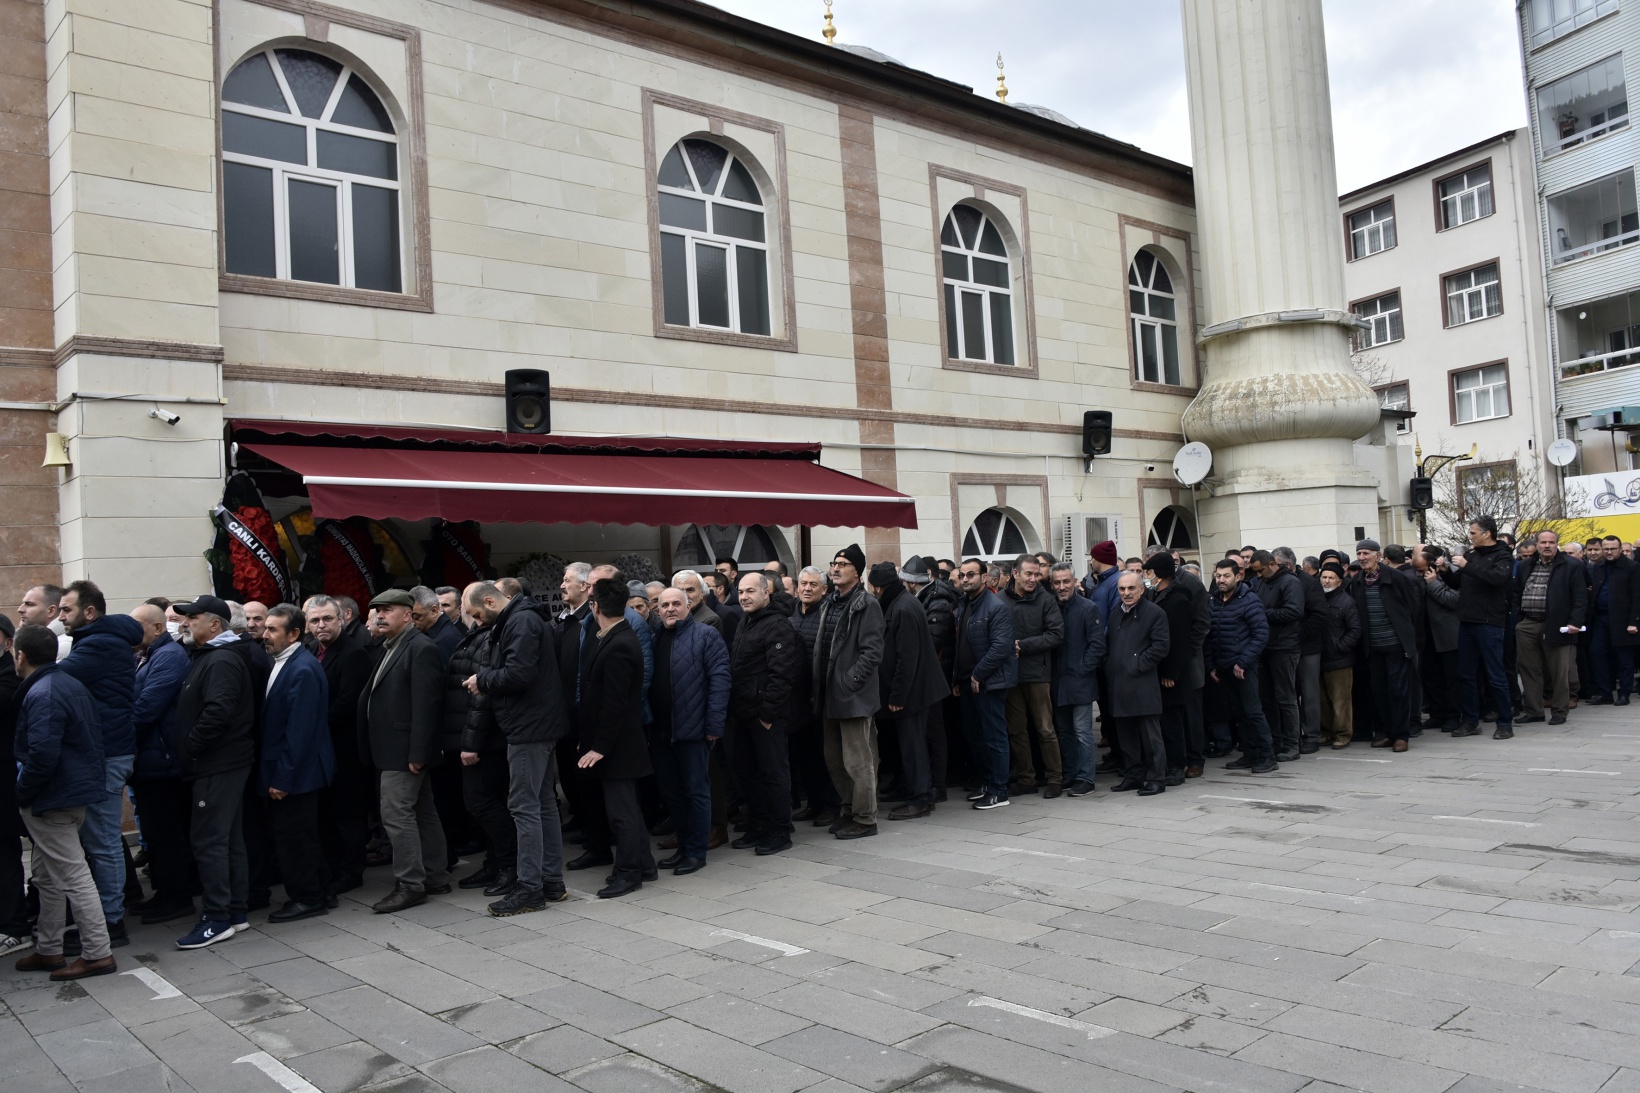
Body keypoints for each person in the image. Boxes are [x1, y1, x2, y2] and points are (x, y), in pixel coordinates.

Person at [11, 624, 115, 980]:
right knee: (47, 875)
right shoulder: (66, 684)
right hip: (68, 794)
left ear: (19, 655)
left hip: (53, 798)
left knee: (72, 875)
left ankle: (98, 953)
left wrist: (22, 791)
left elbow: (42, 754)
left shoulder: (44, 691)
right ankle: (50, 949)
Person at [466, 580, 572, 914]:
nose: (475, 621)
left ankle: (530, 890)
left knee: (525, 807)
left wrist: (481, 681)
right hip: (534, 724)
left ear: (489, 601)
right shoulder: (521, 619)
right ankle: (551, 882)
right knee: (541, 805)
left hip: (529, 728)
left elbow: (519, 673)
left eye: (475, 614)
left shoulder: (521, 621)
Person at [54, 580, 142, 949]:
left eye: (66, 610)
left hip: (107, 753)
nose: (60, 617)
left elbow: (52, 677)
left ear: (89, 612)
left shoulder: (99, 644)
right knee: (101, 838)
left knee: (103, 840)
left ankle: (110, 922)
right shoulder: (99, 639)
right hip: (105, 751)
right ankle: (108, 915)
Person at [172, 595, 256, 948]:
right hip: (221, 762)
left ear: (215, 624)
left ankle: (217, 916)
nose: (186, 623)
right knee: (226, 839)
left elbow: (218, 712)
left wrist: (191, 746)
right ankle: (234, 911)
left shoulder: (221, 659)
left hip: (217, 763)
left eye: (193, 617)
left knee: (209, 841)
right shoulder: (212, 656)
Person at [359, 588, 448, 914]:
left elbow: (427, 706)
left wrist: (418, 752)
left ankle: (410, 884)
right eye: (377, 610)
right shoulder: (392, 646)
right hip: (395, 748)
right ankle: (435, 875)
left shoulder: (420, 647)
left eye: (388, 610)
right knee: (422, 811)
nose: (380, 615)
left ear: (408, 615)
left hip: (404, 751)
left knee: (396, 815)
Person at [576, 578, 654, 897]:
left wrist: (599, 747)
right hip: (616, 743)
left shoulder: (621, 643)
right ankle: (644, 864)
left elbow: (615, 705)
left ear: (594, 605)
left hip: (619, 746)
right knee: (626, 810)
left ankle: (629, 872)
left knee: (622, 814)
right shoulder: (610, 637)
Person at [259, 605, 335, 922]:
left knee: (295, 839)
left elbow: (300, 731)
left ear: (293, 634)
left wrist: (283, 779)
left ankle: (308, 897)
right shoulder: (282, 662)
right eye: (265, 628)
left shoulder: (302, 669)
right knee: (302, 835)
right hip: (293, 771)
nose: (265, 635)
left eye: (273, 630)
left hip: (297, 774)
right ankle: (321, 891)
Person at [650, 587, 728, 874]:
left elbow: (720, 681)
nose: (670, 609)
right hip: (661, 733)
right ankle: (683, 847)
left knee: (696, 792)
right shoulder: (655, 637)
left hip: (694, 732)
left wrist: (713, 726)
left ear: (688, 606)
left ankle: (696, 852)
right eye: (664, 604)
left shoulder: (706, 635)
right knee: (672, 793)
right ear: (657, 610)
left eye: (676, 604)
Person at [127, 604, 194, 925]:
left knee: (167, 834)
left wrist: (118, 731)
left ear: (156, 628)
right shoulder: (147, 655)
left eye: (136, 625)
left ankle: (176, 898)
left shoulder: (168, 656)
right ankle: (164, 894)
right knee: (155, 833)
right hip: (150, 761)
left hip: (163, 763)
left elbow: (146, 707)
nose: (130, 632)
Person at [813, 545, 885, 839]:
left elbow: (872, 652)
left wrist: (849, 681)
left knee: (859, 761)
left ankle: (866, 819)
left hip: (853, 696)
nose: (836, 568)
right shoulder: (830, 601)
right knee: (834, 758)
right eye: (834, 563)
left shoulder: (867, 604)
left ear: (858, 570)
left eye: (843, 563)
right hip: (829, 693)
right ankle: (849, 810)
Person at [867, 563, 949, 821]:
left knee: (914, 746)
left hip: (914, 692)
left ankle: (920, 799)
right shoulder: (901, 602)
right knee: (910, 745)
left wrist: (897, 697)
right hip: (913, 689)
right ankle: (913, 791)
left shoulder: (903, 607)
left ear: (879, 587)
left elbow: (907, 658)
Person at [728, 572, 801, 851]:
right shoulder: (745, 622)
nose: (744, 596)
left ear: (765, 593)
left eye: (750, 591)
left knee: (774, 775)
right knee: (748, 773)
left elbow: (782, 675)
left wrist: (767, 715)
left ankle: (780, 831)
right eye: (741, 591)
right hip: (744, 713)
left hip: (766, 717)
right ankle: (758, 825)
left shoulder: (777, 625)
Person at [305, 595, 371, 895]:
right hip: (321, 748)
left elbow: (348, 702)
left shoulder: (352, 653)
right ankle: (331, 867)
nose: (322, 625)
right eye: (315, 620)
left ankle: (351, 871)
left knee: (348, 815)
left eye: (327, 619)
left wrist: (309, 724)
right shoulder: (310, 650)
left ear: (341, 619)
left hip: (344, 748)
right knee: (326, 813)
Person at [450, 605, 514, 899]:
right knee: (483, 803)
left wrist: (471, 745)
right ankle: (495, 862)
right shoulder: (478, 634)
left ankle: (507, 866)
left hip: (486, 741)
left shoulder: (487, 638)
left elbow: (480, 696)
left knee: (484, 803)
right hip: (479, 736)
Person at [952, 558, 1016, 809]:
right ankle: (987, 783)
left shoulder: (995, 606)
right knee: (974, 735)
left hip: (990, 682)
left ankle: (999, 791)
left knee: (994, 737)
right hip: (969, 682)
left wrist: (978, 674)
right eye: (963, 575)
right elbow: (961, 646)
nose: (966, 579)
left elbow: (1001, 647)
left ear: (985, 578)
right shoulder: (964, 603)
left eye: (971, 575)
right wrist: (958, 678)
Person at [1002, 555, 1065, 797]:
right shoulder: (999, 600)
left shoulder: (1046, 600)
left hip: (1038, 674)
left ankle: (1055, 780)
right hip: (1010, 675)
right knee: (1016, 731)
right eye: (1028, 574)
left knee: (1045, 729)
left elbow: (1056, 634)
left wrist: (1023, 646)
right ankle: (1026, 778)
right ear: (1015, 573)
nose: (1033, 579)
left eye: (1036, 574)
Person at [1447, 518, 1515, 740]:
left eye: (1473, 532)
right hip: (1467, 621)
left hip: (1489, 622)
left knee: (1496, 675)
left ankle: (1504, 722)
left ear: (1487, 534)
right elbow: (1457, 582)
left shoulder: (1502, 555)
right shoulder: (1473, 554)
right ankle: (1470, 720)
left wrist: (1468, 566)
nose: (1470, 536)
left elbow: (1497, 579)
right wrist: (1443, 571)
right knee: (1466, 674)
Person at [1512, 530, 1586, 731]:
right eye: (1543, 542)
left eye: (1551, 542)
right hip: (1527, 623)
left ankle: (1559, 711)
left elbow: (1580, 597)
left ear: (1557, 544)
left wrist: (1575, 622)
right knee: (1529, 669)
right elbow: (1517, 592)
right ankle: (1534, 711)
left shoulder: (1571, 566)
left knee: (1558, 671)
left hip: (1557, 624)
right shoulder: (1526, 565)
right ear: (1536, 544)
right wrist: (1517, 619)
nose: (1547, 546)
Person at [1207, 559, 1276, 773]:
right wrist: (1212, 665)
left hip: (1244, 668)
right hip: (1224, 667)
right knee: (1239, 713)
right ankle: (1249, 754)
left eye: (1226, 575)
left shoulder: (1250, 600)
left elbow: (1261, 635)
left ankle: (1267, 756)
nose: (1221, 580)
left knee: (1253, 712)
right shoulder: (1214, 601)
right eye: (1218, 576)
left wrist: (1243, 662)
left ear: (1238, 576)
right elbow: (1209, 636)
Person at [1105, 573, 1170, 794]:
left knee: (1150, 736)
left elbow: (1161, 646)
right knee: (1126, 735)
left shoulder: (1154, 613)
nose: (1126, 593)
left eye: (1131, 588)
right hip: (1119, 685)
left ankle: (1156, 778)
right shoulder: (1115, 614)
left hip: (1143, 684)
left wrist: (1137, 664)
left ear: (1141, 589)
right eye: (1122, 589)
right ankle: (1133, 775)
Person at [1145, 553, 1202, 786]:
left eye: (1149, 573)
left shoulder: (1177, 599)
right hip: (1159, 672)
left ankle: (1177, 766)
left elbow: (1179, 641)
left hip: (1172, 674)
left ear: (1158, 574)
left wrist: (1171, 673)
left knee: (1173, 721)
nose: (1146, 577)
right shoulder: (1156, 595)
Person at [902, 556, 956, 802]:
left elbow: (933, 641)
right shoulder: (924, 598)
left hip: (935, 676)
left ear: (913, 582)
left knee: (934, 732)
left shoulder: (938, 601)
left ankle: (938, 785)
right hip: (926, 675)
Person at [787, 566, 837, 826]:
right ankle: (814, 803)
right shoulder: (791, 616)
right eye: (803, 584)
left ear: (824, 589)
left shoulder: (829, 615)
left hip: (822, 697)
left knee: (825, 755)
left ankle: (831, 805)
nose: (807, 588)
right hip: (798, 699)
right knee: (805, 755)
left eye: (813, 585)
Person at [1048, 561, 1104, 796]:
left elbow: (1097, 646)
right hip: (1057, 682)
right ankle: (1070, 774)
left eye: (1066, 581)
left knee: (1082, 731)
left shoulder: (1088, 608)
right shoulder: (1050, 607)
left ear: (1074, 581)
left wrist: (1082, 669)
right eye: (1057, 582)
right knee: (1064, 731)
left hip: (1080, 681)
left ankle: (1086, 778)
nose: (1062, 586)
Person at [1247, 551, 1303, 762]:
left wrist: (1263, 614)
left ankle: (1291, 743)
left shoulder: (1290, 582)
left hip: (1284, 646)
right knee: (1267, 698)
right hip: (1265, 646)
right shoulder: (1260, 583)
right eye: (1257, 571)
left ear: (1273, 564)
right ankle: (1275, 741)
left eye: (1262, 570)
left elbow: (1294, 611)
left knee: (1286, 697)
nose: (1259, 574)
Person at [1589, 535, 1639, 705]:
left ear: (1619, 549)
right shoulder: (1599, 566)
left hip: (1623, 619)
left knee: (1624, 657)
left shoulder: (1632, 567)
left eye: (1612, 549)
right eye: (1606, 549)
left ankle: (1624, 693)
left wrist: (1634, 621)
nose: (1609, 552)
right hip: (1601, 617)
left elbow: (1636, 596)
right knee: (1597, 653)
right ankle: (1605, 692)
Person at [1416, 548, 1461, 732]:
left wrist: (1433, 584)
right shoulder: (1417, 576)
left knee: (1451, 678)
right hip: (1426, 635)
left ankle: (1453, 715)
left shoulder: (1452, 574)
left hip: (1447, 634)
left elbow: (1454, 600)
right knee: (1432, 677)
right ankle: (1437, 713)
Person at [1317, 564, 1361, 747]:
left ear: (1339, 581)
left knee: (1340, 700)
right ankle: (1327, 732)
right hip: (1320, 657)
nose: (1326, 581)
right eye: (1324, 577)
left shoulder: (1346, 602)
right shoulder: (1317, 599)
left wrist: (1340, 647)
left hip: (1340, 659)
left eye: (1330, 577)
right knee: (1323, 700)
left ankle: (1343, 734)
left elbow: (1355, 629)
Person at [18, 584, 73, 660]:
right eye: (22, 604)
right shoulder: (43, 642)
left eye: (29, 604)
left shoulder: (61, 645)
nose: (20, 609)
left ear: (51, 611)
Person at [411, 585, 463, 662]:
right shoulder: (430, 633)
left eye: (416, 617)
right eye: (409, 617)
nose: (412, 623)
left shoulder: (448, 639)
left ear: (434, 611)